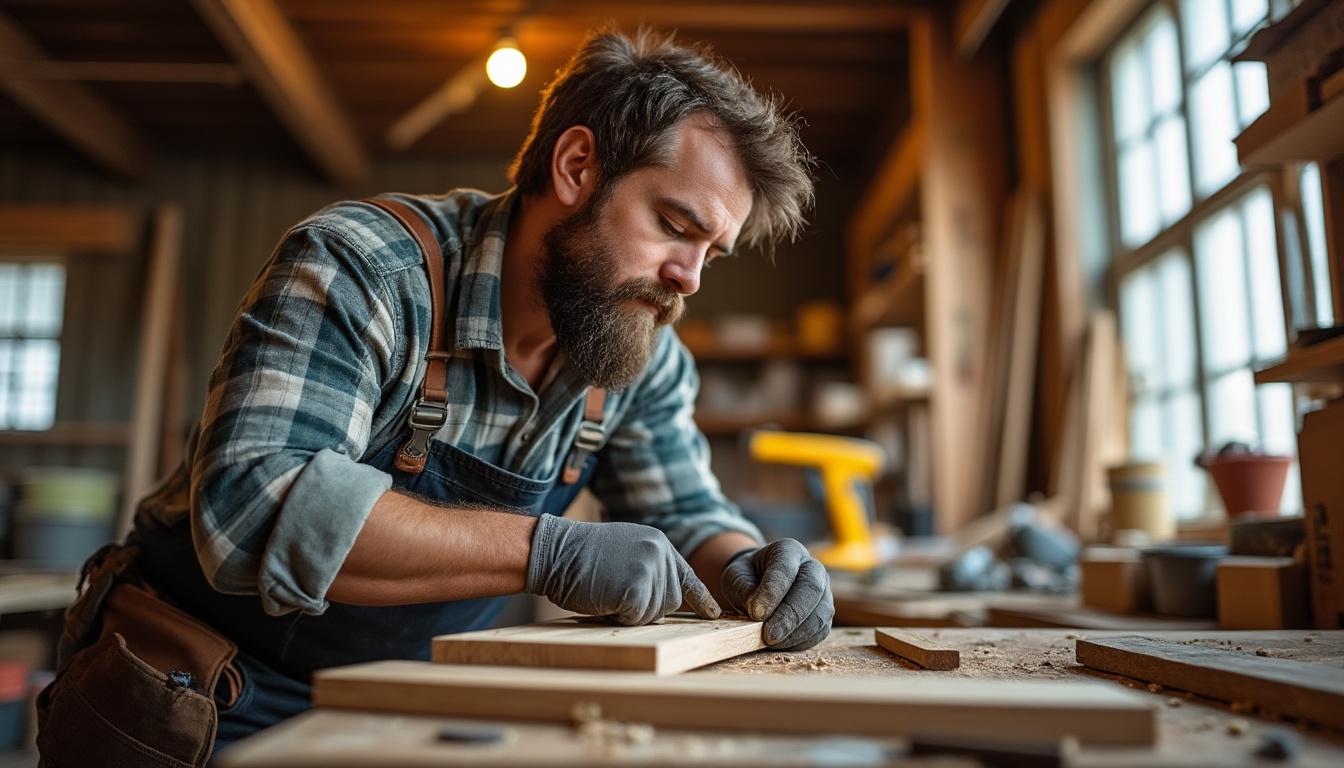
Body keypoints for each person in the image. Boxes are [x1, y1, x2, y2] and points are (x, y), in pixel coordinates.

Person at [37, 27, 829, 766]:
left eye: (710, 253)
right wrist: (546, 549)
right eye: (673, 224)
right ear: (577, 167)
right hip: (199, 692)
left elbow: (685, 514)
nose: (688, 278)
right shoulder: (366, 267)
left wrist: (750, 567)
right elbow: (254, 504)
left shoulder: (635, 353)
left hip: (403, 700)